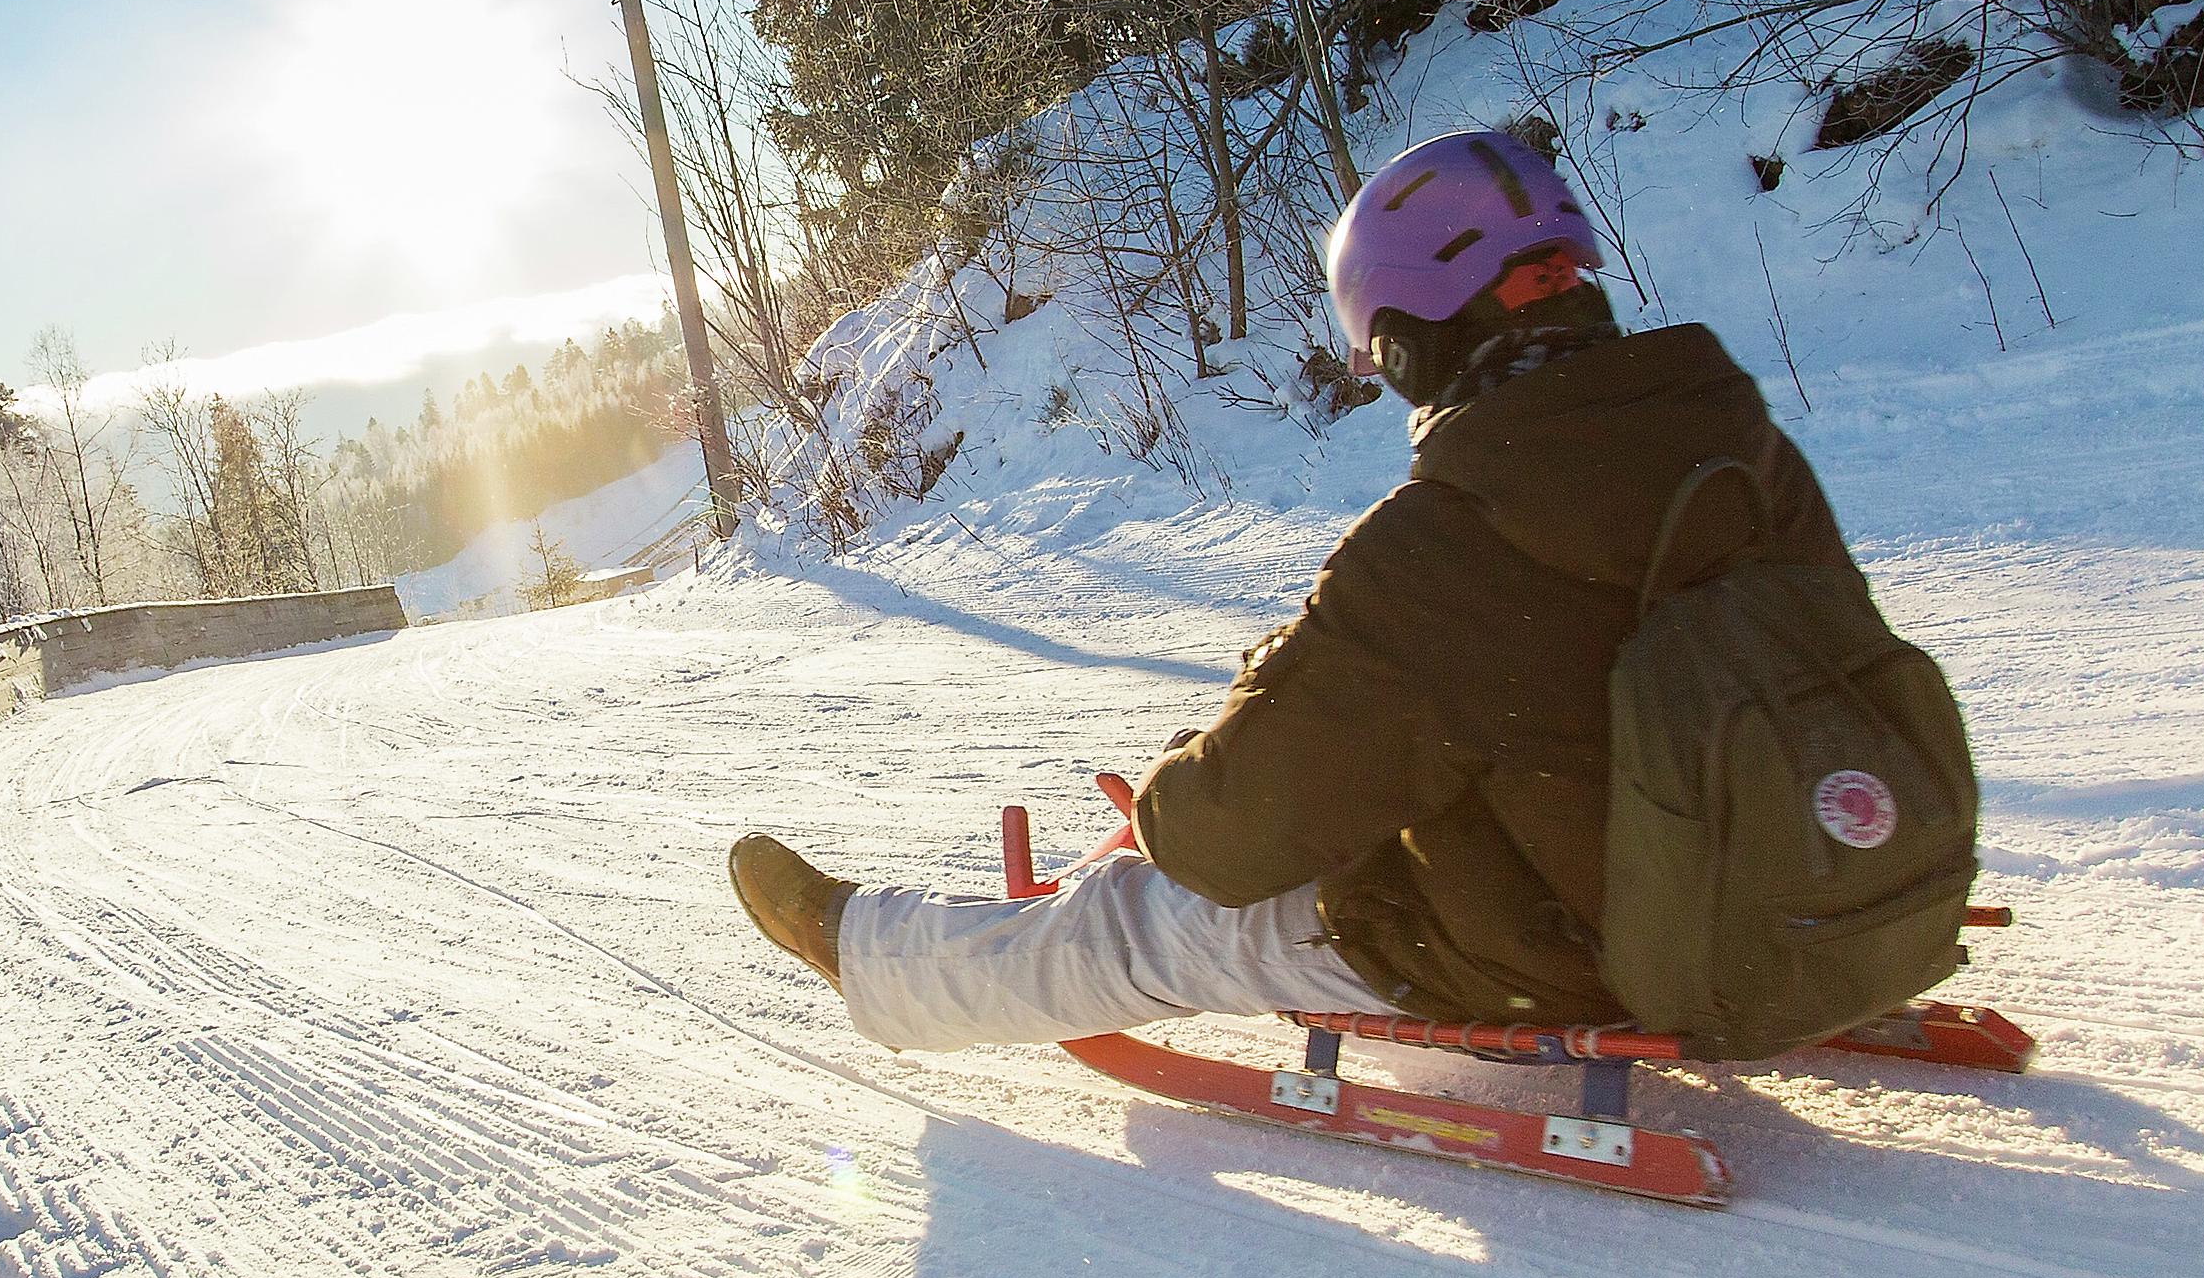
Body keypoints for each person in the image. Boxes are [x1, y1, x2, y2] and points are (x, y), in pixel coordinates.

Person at [732, 126, 1867, 1053]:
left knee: (1147, 921)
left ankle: (874, 956)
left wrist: (1186, 788)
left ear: (1417, 332)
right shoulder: (1737, 449)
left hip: (1589, 949)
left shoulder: (1451, 539)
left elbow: (1224, 841)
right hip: (1809, 879)